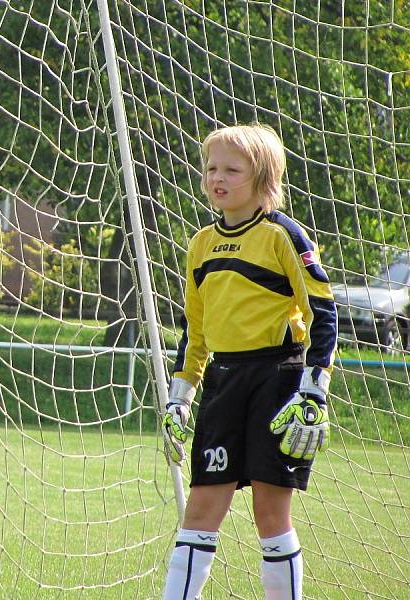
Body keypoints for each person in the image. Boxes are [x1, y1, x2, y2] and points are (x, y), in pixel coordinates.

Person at [160, 124, 337, 599]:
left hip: (277, 381)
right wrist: (181, 398)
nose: (218, 178)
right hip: (222, 381)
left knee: (270, 515)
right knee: (199, 511)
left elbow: (323, 314)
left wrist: (312, 389)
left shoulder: (284, 234)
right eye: (211, 168)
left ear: (263, 179)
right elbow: (195, 332)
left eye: (231, 170)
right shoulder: (200, 244)